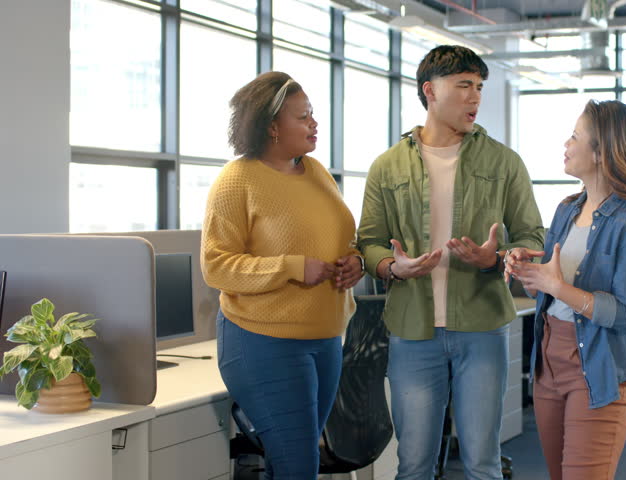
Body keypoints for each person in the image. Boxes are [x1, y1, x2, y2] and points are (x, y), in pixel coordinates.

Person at [357, 45, 544, 480]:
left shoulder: (504, 162)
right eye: (463, 85)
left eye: (479, 87)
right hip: (412, 329)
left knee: (483, 463)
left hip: (482, 327)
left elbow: (530, 236)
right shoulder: (386, 167)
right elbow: (367, 243)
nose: (475, 97)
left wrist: (495, 257)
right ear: (430, 91)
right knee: (414, 465)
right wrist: (391, 267)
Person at [200, 71, 364, 480]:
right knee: (298, 467)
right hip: (263, 342)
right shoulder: (237, 181)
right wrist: (290, 268)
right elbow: (216, 265)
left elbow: (343, 238)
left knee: (293, 462)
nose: (314, 124)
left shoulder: (317, 173)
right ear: (272, 126)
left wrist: (354, 261)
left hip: (325, 339)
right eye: (303, 117)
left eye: (312, 115)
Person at [506, 100, 626, 480]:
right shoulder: (565, 210)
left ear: (602, 151)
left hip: (600, 366)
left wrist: (558, 287)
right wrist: (521, 265)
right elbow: (548, 279)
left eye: (575, 136)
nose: (566, 143)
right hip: (548, 363)